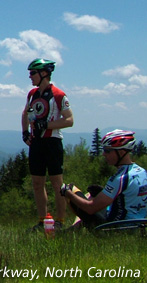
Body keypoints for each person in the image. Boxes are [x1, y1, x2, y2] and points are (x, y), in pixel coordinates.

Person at [21, 58, 74, 232]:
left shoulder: (58, 95)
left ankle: (59, 220)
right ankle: (43, 220)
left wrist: (47, 125)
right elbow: (25, 112)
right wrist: (25, 132)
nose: (30, 77)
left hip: (52, 142)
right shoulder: (32, 94)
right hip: (36, 142)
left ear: (44, 74)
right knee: (37, 182)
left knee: (57, 183)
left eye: (33, 73)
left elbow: (69, 120)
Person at [61, 130, 147, 229]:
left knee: (73, 190)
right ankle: (73, 229)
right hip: (138, 226)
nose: (103, 154)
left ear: (121, 152)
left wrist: (68, 194)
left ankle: (72, 229)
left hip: (115, 228)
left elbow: (90, 208)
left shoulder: (120, 178)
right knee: (91, 195)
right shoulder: (142, 172)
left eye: (107, 150)